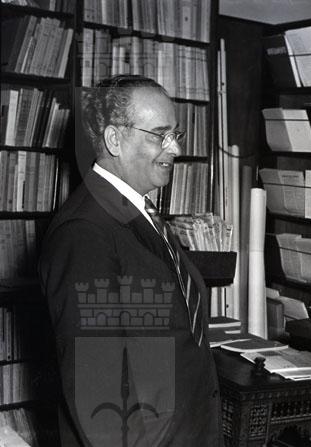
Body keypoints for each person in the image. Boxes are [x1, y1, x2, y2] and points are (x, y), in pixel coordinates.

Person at [39, 75, 221, 446]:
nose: (174, 149)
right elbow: (99, 395)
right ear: (113, 140)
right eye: (159, 135)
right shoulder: (84, 232)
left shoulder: (138, 212)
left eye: (175, 134)